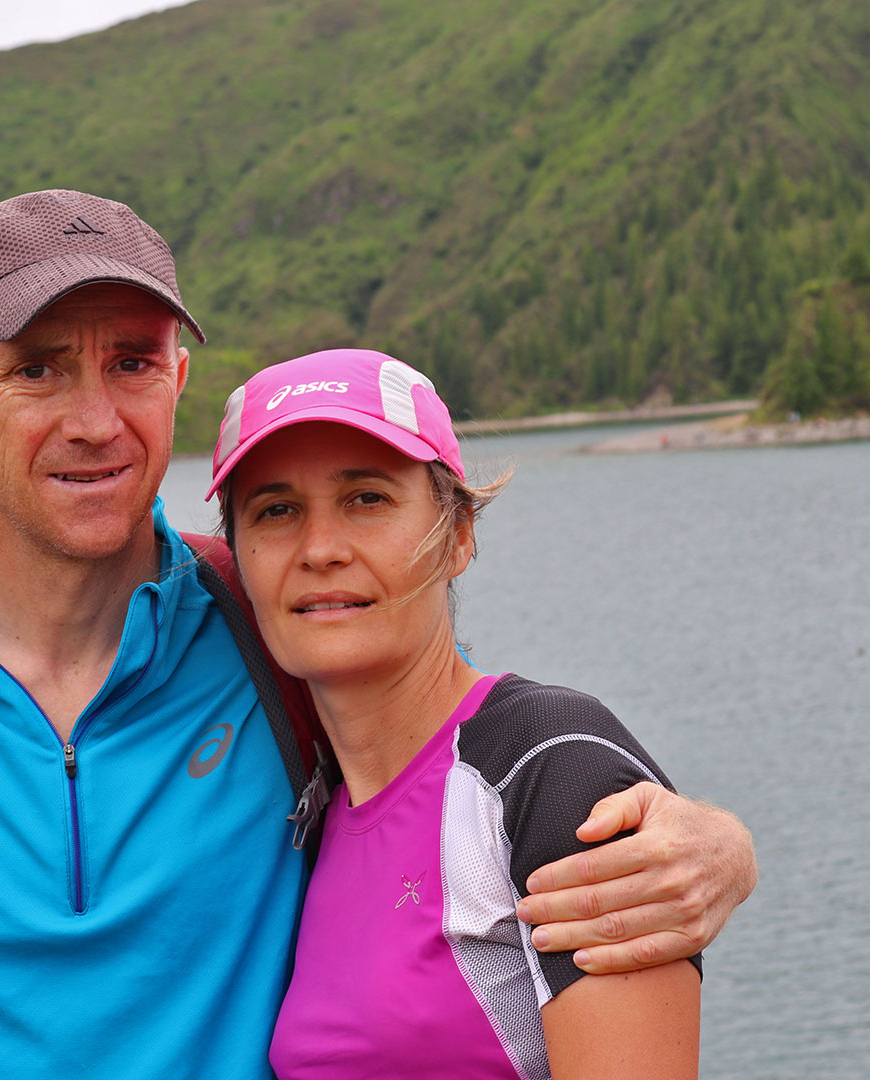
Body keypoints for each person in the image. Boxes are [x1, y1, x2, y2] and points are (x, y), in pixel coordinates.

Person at [0, 190, 756, 1079]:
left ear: (176, 382)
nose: (93, 420)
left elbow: (472, 756)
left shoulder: (275, 639)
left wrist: (716, 842)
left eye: (130, 362)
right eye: (37, 371)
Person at [209, 349, 701, 1078]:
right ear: (237, 559)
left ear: (459, 532)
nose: (320, 549)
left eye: (366, 499)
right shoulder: (305, 811)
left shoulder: (550, 770)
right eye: (276, 510)